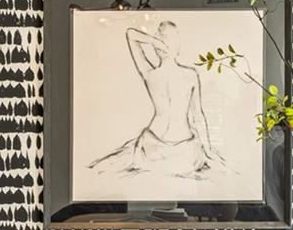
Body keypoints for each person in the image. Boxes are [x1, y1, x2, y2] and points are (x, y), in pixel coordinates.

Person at [88, 19, 227, 179]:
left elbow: (131, 35)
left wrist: (154, 42)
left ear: (158, 47)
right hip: (185, 155)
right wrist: (208, 150)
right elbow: (198, 117)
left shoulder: (150, 75)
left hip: (152, 150)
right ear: (177, 45)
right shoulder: (190, 75)